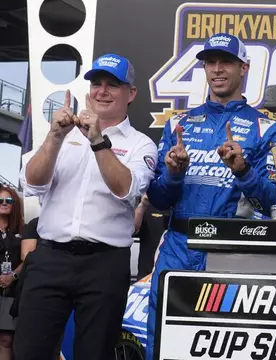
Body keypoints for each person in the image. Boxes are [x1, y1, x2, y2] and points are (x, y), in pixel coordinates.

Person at [146, 33, 276, 359]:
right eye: (210, 62)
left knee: (224, 347)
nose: (217, 69)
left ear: (244, 67)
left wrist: (243, 171)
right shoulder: (179, 124)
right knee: (163, 342)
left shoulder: (265, 127)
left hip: (231, 253)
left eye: (226, 62)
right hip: (178, 247)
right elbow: (159, 200)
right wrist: (173, 174)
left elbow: (274, 204)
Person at [15, 54, 157, 360]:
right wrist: (54, 137)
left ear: (130, 94)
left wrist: (97, 140)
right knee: (29, 352)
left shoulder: (140, 144)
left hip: (104, 265)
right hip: (50, 257)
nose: (102, 91)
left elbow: (126, 190)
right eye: (96, 84)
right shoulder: (61, 134)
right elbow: (33, 184)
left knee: (94, 354)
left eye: (113, 85)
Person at [0, 187, 24, 360]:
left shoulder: (23, 230)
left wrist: (12, 276)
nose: (3, 204)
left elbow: (28, 257)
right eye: (0, 200)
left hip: (12, 290)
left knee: (6, 339)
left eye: (8, 201)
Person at [133, 194, 168, 280]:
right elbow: (132, 230)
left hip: (175, 276)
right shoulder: (149, 202)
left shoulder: (186, 205)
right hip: (147, 277)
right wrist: (142, 205)